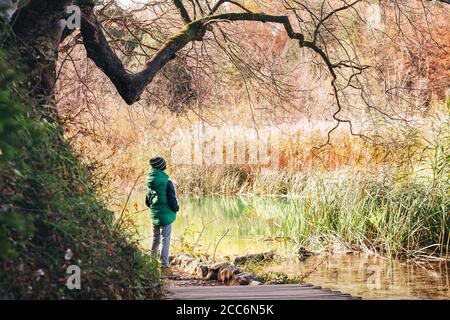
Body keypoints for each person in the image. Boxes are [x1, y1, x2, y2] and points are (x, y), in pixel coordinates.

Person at [146, 156, 179, 271]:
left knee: (155, 239)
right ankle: (164, 265)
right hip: (166, 216)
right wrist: (176, 208)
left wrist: (156, 208)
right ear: (162, 167)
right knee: (165, 239)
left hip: (155, 215)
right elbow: (172, 200)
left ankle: (152, 263)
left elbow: (147, 201)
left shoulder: (149, 182)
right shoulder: (167, 182)